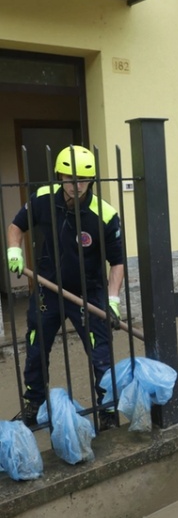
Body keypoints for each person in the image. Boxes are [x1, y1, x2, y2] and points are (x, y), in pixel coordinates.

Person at [6, 146, 125, 430]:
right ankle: (34, 403)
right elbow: (16, 226)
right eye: (70, 178)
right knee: (36, 347)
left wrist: (112, 300)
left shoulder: (105, 215)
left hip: (88, 292)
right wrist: (14, 251)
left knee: (100, 353)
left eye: (82, 179)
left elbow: (117, 262)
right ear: (60, 175)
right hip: (48, 290)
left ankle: (108, 408)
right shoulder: (43, 199)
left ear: (91, 180)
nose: (76, 185)